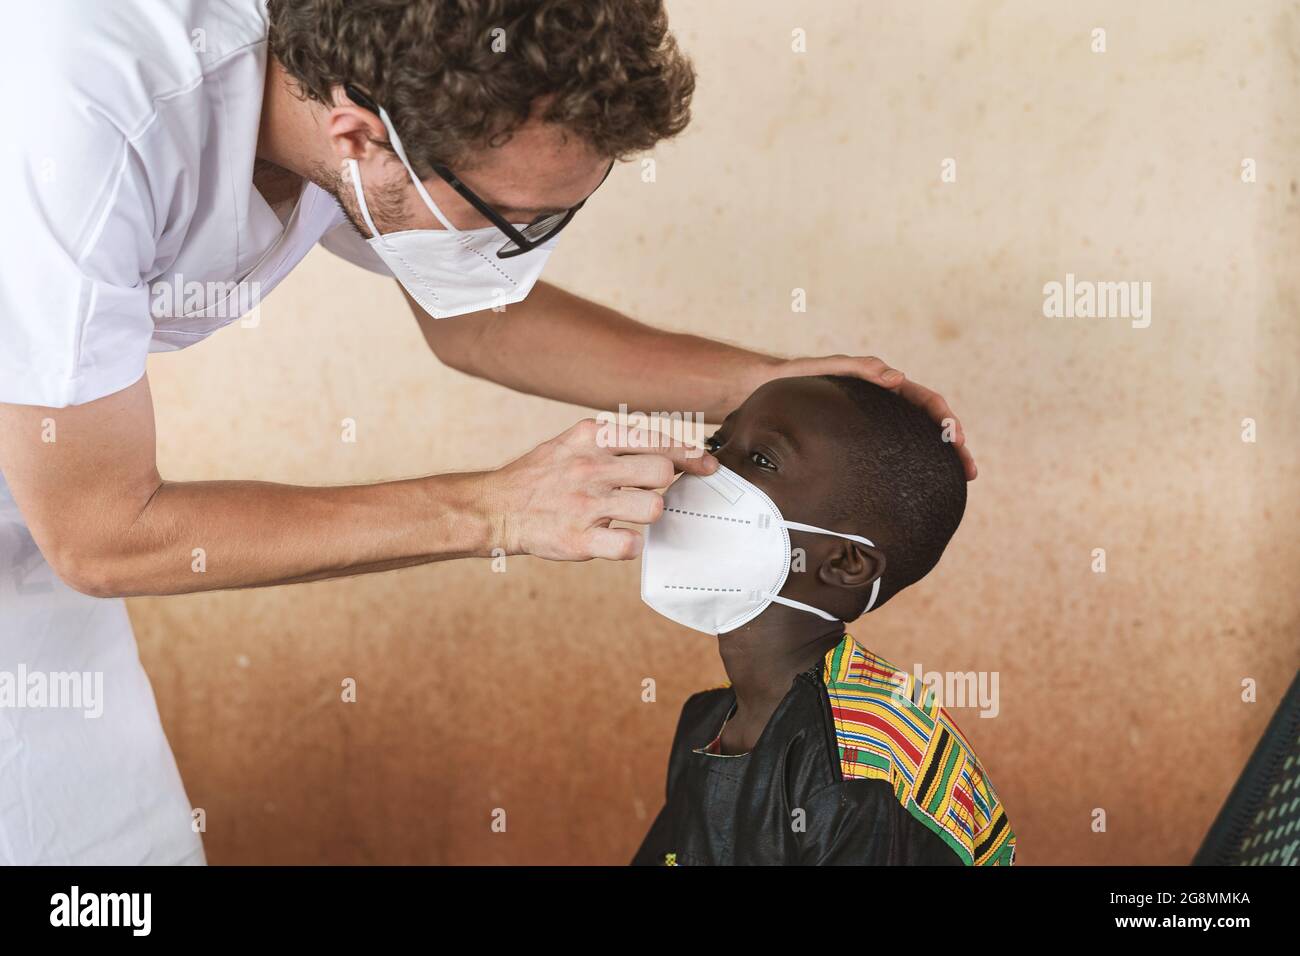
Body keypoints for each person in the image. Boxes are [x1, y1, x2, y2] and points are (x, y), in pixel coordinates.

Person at [0, 0, 975, 864]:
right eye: (514, 223)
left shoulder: (343, 80)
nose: (528, 247)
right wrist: (491, 509)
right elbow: (102, 530)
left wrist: (766, 382)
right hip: (72, 505)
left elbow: (476, 312)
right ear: (358, 136)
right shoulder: (84, 118)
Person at [635, 376, 1014, 865]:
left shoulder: (860, 761)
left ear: (845, 564)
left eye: (762, 460)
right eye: (717, 443)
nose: (706, 469)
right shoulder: (706, 721)